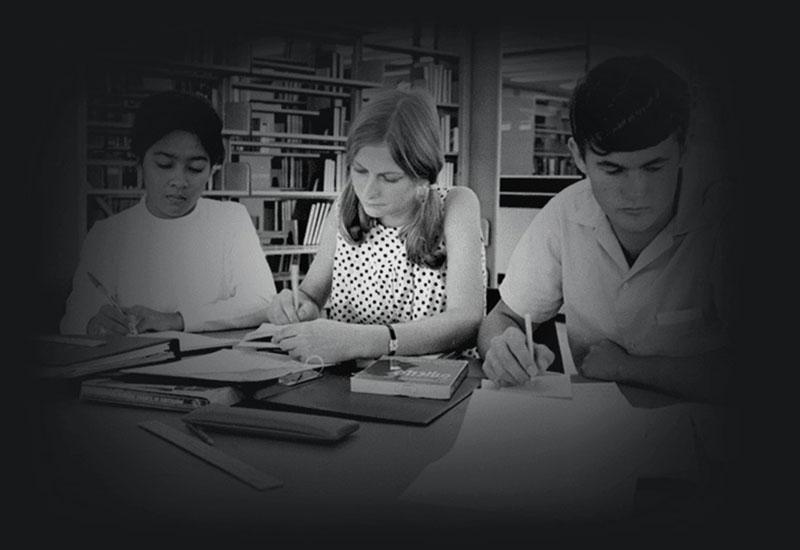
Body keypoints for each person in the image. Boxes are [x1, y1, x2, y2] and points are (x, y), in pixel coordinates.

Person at [478, 55, 736, 404]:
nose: (637, 193)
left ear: (683, 148)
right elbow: (504, 316)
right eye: (612, 169)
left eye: (654, 166)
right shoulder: (565, 213)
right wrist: (501, 347)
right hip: (595, 432)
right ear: (578, 157)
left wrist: (626, 367)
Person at [266, 88, 486, 364]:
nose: (368, 191)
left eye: (389, 178)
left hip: (439, 380)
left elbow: (467, 320)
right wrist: (295, 304)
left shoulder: (456, 204)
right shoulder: (343, 208)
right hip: (348, 380)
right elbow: (311, 294)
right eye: (359, 171)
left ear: (423, 177)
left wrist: (360, 341)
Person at [60, 91, 276, 336]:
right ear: (139, 161)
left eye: (195, 168)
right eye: (164, 165)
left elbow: (262, 301)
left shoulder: (230, 220)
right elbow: (73, 318)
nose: (179, 181)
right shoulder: (108, 234)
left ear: (211, 169)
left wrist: (175, 319)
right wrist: (93, 323)